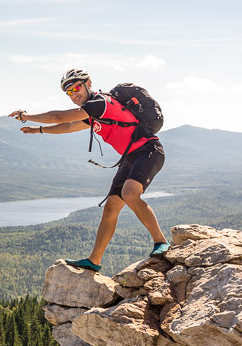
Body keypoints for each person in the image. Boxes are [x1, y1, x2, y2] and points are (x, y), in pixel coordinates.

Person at [9, 69, 169, 272]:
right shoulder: (94, 112)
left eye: (76, 87)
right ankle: (94, 260)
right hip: (130, 157)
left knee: (129, 194)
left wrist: (26, 116)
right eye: (69, 92)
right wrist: (38, 130)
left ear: (88, 84)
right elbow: (67, 127)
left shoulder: (100, 103)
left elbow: (58, 116)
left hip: (149, 151)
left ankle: (161, 242)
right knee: (111, 207)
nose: (74, 94)